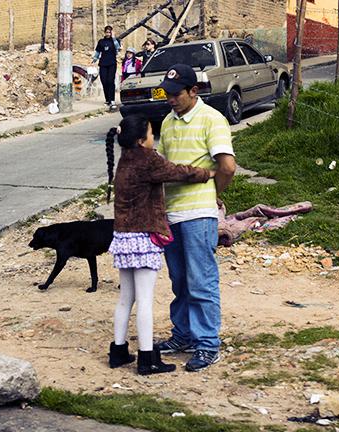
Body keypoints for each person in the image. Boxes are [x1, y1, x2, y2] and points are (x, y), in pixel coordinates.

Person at [105, 114, 216, 375]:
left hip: (123, 237)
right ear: (142, 141)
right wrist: (207, 173)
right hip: (143, 237)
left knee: (126, 298)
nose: (155, 139)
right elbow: (178, 172)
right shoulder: (148, 159)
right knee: (145, 300)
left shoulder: (125, 158)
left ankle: (118, 351)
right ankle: (147, 359)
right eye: (153, 134)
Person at [153, 64, 236, 372]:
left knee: (201, 281)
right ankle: (184, 335)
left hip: (198, 214)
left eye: (176, 94)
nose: (170, 98)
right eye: (167, 93)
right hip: (171, 214)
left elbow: (227, 167)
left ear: (193, 91)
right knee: (179, 280)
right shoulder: (167, 122)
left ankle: (207, 345)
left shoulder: (211, 119)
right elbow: (163, 166)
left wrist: (212, 195)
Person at [92, 25, 120, 109]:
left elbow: (117, 47)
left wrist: (113, 37)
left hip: (112, 63)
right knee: (104, 81)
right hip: (103, 63)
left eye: (109, 32)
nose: (108, 34)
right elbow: (98, 52)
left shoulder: (114, 40)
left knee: (110, 81)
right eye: (107, 32)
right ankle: (107, 99)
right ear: (104, 32)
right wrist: (94, 61)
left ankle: (112, 99)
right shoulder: (101, 41)